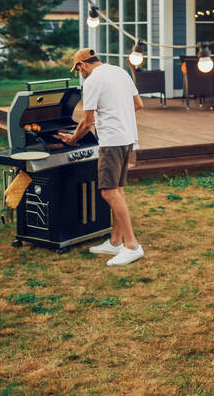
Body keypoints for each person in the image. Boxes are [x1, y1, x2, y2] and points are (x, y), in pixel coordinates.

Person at [56, 48, 145, 266]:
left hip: (112, 142)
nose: (81, 73)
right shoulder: (120, 72)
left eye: (78, 70)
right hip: (127, 138)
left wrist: (72, 139)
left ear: (81, 65)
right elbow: (138, 104)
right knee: (118, 190)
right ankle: (115, 242)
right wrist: (115, 116)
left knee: (108, 192)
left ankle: (132, 246)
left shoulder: (92, 81)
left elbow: (86, 122)